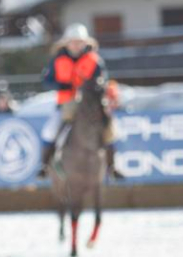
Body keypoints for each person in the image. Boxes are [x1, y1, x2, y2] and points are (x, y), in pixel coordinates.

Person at [37, 23, 123, 180]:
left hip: (91, 103)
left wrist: (95, 88)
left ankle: (112, 167)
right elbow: (46, 81)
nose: (76, 45)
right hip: (66, 102)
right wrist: (61, 85)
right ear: (67, 43)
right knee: (50, 130)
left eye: (79, 42)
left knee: (109, 127)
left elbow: (103, 80)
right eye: (73, 41)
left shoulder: (94, 60)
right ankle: (44, 166)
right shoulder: (58, 60)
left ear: (85, 43)